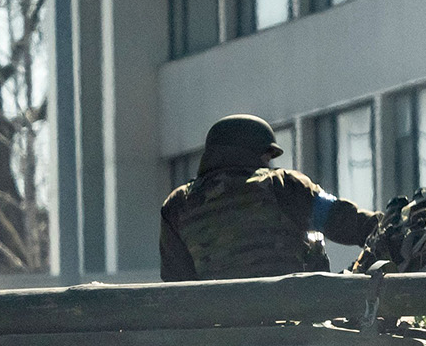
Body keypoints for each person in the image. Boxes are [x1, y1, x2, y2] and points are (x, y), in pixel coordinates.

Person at [159, 114, 379, 282]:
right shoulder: (282, 185)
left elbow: (177, 282)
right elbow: (345, 221)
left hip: (216, 337)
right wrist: (393, 224)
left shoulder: (177, 204)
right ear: (256, 153)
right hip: (291, 330)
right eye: (266, 156)